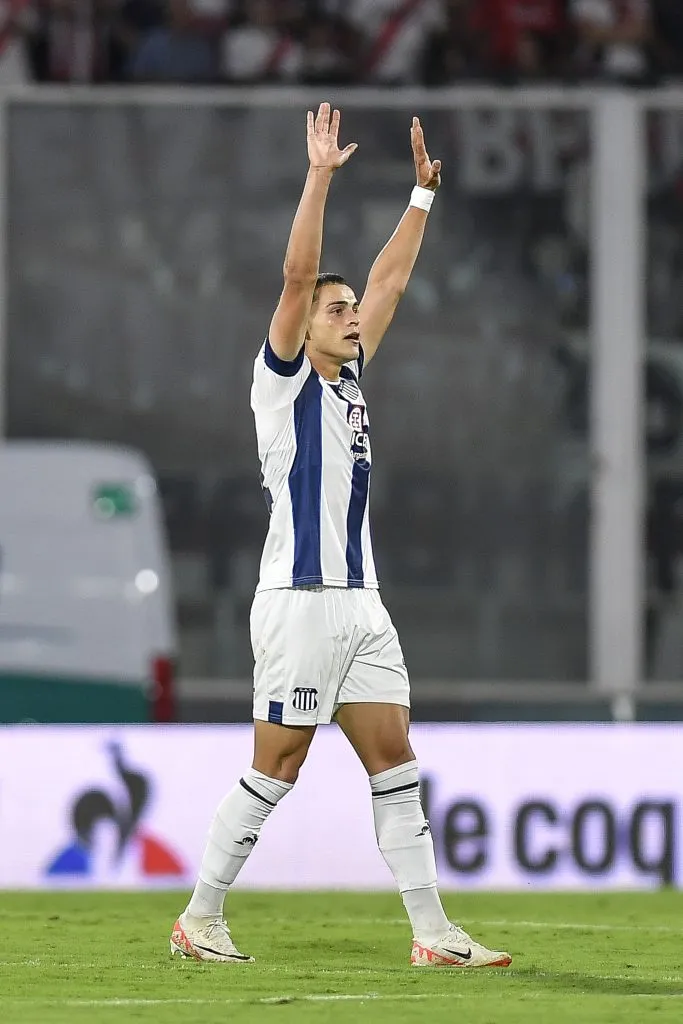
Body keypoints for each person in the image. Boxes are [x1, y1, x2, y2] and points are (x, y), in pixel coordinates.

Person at [170, 102, 512, 970]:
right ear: (306, 325)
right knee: (277, 766)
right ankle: (199, 917)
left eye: (350, 307)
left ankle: (432, 935)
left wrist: (420, 198)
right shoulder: (281, 384)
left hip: (362, 603)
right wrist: (318, 178)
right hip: (300, 602)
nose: (351, 315)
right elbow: (295, 279)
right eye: (336, 308)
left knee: (394, 760)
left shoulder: (351, 381)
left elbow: (389, 283)